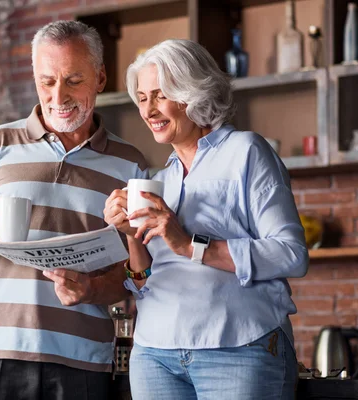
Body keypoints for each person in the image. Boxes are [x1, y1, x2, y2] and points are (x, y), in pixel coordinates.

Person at [0, 20, 148, 400]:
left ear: (100, 77)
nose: (58, 95)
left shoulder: (130, 166)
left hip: (82, 360)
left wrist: (93, 288)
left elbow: (137, 277)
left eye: (73, 80)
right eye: (47, 81)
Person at [103, 39, 308, 400]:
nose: (148, 109)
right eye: (141, 98)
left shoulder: (246, 152)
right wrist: (130, 235)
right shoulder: (157, 178)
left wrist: (189, 244)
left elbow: (291, 254)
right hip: (153, 354)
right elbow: (142, 283)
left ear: (192, 92)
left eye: (159, 95)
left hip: (237, 349)